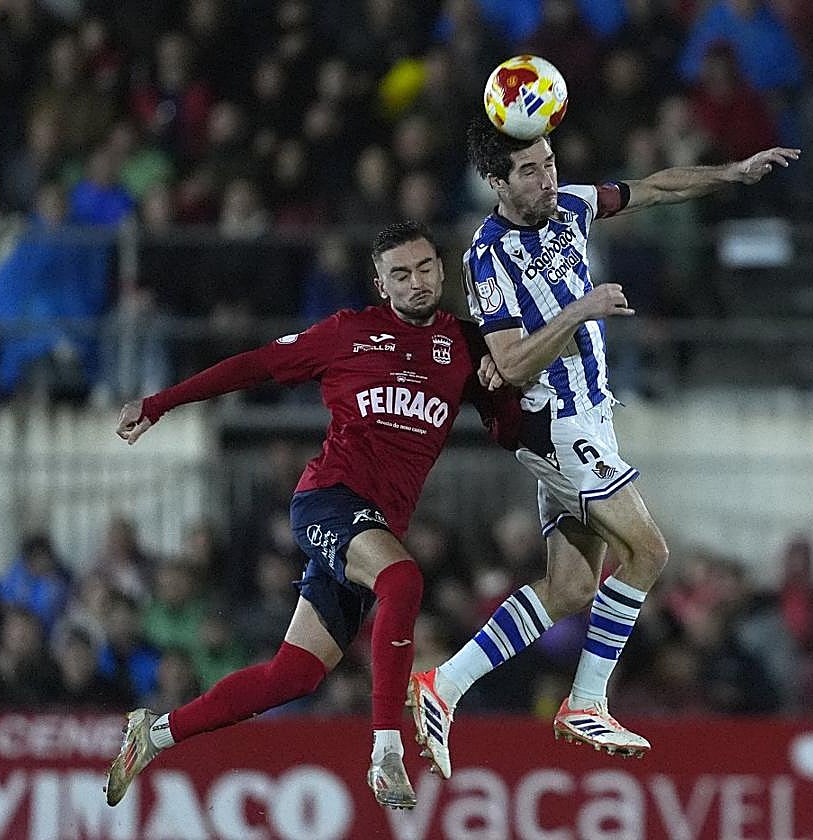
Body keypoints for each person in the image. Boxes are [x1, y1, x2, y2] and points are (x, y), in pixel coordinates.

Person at [408, 117, 798, 777]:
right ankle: (586, 700)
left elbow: (650, 189)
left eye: (549, 162)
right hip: (553, 422)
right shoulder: (488, 256)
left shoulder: (570, 207)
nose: (546, 177)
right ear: (496, 183)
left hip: (589, 418)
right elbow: (509, 363)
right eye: (529, 170)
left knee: (570, 588)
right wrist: (578, 312)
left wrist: (729, 174)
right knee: (648, 551)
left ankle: (443, 684)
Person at [104, 220, 520, 811]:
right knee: (403, 579)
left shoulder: (467, 345)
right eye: (400, 273)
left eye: (425, 268)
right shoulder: (349, 333)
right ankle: (386, 750)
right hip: (328, 499)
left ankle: (156, 732)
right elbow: (252, 365)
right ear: (381, 284)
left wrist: (505, 391)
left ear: (442, 270)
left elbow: (507, 425)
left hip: (374, 530)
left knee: (293, 675)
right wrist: (158, 403)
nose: (416, 282)